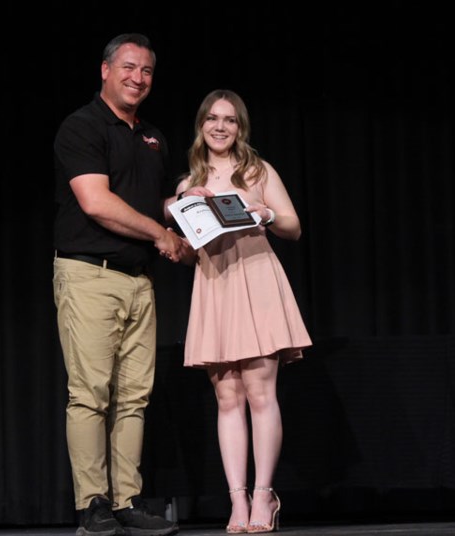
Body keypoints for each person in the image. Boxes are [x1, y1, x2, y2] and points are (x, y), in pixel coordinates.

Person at [52, 33, 189, 536]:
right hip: (90, 275)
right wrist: (163, 235)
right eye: (129, 67)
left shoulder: (153, 135)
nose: (138, 78)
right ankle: (92, 505)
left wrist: (198, 216)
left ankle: (126, 501)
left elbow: (159, 204)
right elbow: (96, 202)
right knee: (90, 394)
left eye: (147, 71)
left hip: (139, 282)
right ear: (105, 71)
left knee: (134, 397)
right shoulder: (81, 127)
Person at [173, 90, 312, 534]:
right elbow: (192, 255)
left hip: (256, 279)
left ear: (240, 127)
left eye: (229, 120)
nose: (220, 127)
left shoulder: (257, 170)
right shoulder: (187, 184)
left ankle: (264, 495)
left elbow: (293, 227)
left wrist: (265, 212)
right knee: (227, 397)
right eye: (212, 119)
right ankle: (237, 500)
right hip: (216, 286)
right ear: (200, 125)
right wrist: (182, 227)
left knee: (259, 392)